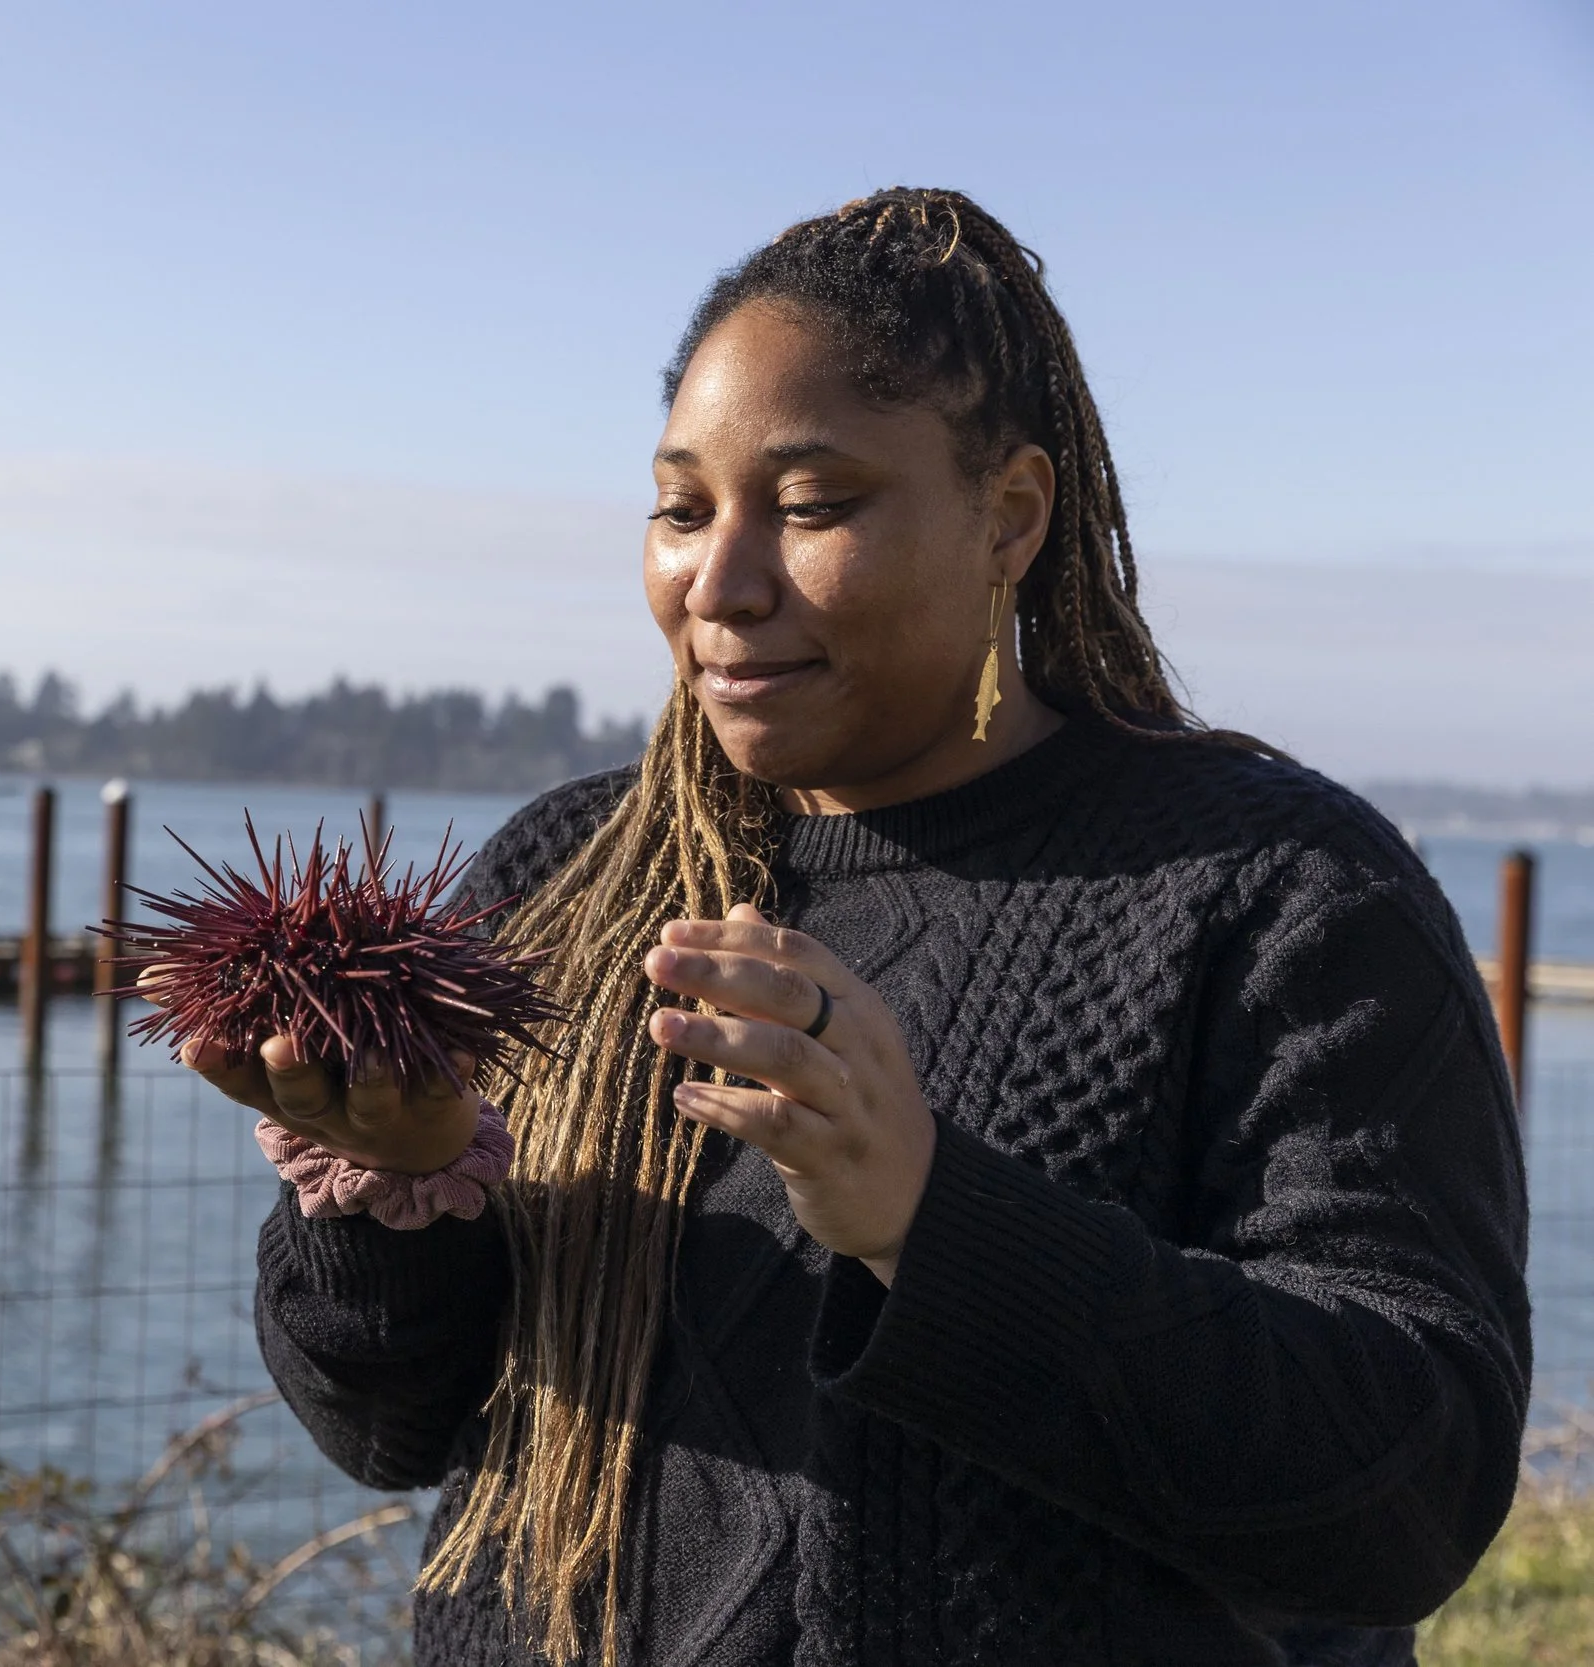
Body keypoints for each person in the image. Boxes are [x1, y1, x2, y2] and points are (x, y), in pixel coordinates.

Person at [178, 187, 1529, 1666]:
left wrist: (933, 1219)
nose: (722, 580)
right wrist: (399, 1185)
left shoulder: (1275, 892)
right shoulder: (570, 874)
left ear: (1010, 515)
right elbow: (385, 1427)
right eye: (682, 509)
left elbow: (1412, 1485)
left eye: (813, 506)